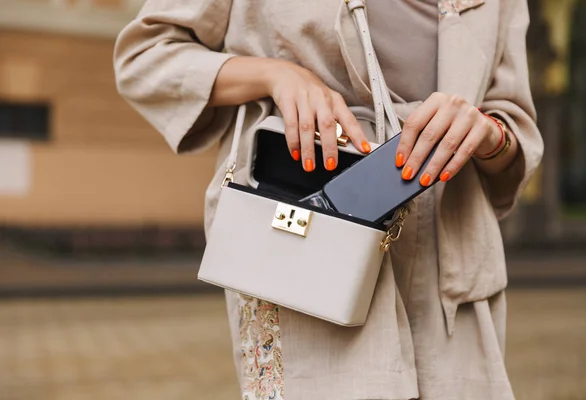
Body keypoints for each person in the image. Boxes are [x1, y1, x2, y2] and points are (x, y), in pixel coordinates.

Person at [114, 0, 544, 398]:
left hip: (452, 255)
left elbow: (512, 119)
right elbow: (145, 58)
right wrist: (274, 74)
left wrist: (489, 134)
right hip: (305, 245)